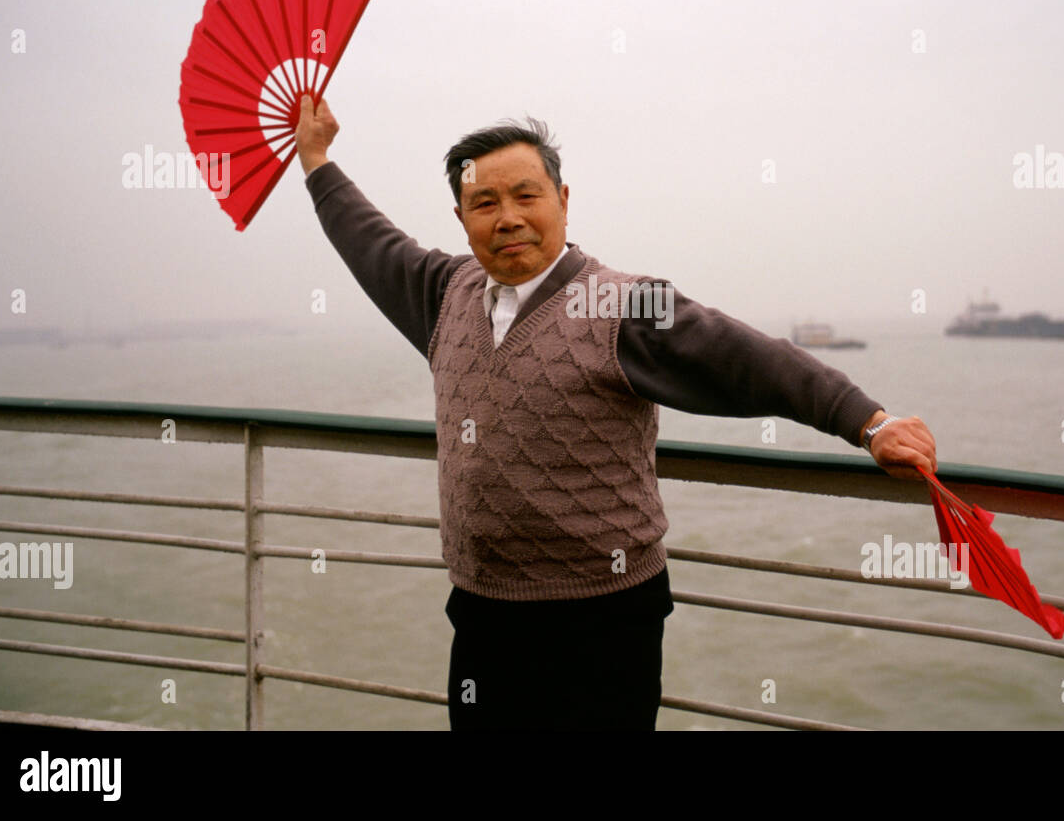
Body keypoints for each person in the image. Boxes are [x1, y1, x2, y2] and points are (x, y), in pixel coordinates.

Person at [294, 95, 937, 730]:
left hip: (603, 619)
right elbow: (368, 240)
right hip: (481, 613)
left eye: (526, 195)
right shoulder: (443, 293)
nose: (508, 217)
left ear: (564, 201)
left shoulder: (623, 305)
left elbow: (748, 358)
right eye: (484, 203)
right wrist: (317, 157)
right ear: (460, 216)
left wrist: (868, 422)